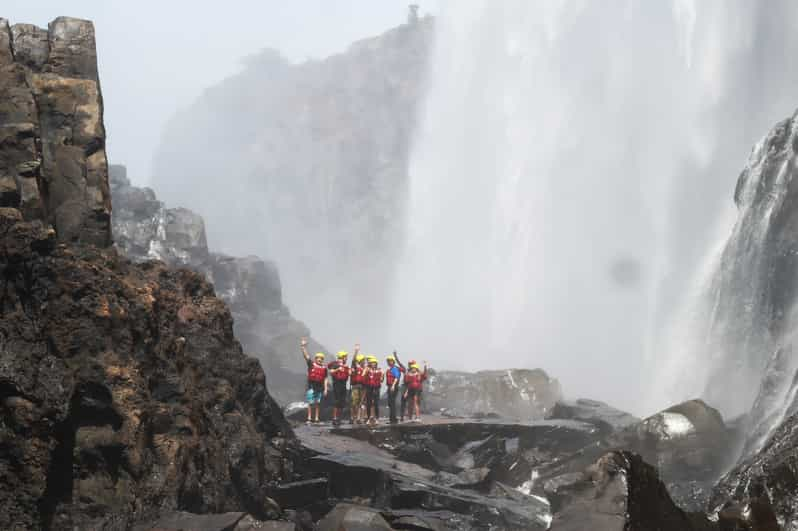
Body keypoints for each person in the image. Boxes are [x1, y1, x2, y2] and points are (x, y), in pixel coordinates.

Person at [300, 338, 328, 424]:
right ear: (315, 359)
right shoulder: (311, 364)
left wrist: (326, 389)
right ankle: (309, 418)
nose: (319, 359)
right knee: (310, 403)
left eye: (321, 358)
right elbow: (306, 356)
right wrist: (303, 346)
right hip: (311, 386)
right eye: (318, 358)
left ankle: (316, 418)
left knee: (317, 403)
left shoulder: (324, 368)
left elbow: (325, 378)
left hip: (319, 387)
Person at [329, 350, 350, 426]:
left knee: (342, 402)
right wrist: (338, 369)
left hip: (343, 384)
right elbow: (331, 372)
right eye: (345, 357)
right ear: (342, 357)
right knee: (337, 401)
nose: (346, 358)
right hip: (337, 384)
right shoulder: (335, 364)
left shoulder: (345, 366)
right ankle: (334, 418)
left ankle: (339, 418)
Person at [385, 352, 405, 424]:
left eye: (390, 361)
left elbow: (396, 377)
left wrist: (393, 385)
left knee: (392, 403)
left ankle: (393, 419)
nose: (389, 362)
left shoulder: (394, 368)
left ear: (393, 362)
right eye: (388, 361)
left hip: (393, 386)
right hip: (390, 387)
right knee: (390, 403)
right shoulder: (390, 369)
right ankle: (392, 419)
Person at [364, 355, 384, 426]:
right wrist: (366, 370)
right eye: (371, 363)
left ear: (376, 363)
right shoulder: (367, 370)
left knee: (376, 404)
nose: (373, 364)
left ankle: (377, 419)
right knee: (368, 404)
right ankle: (369, 418)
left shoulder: (379, 370)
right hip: (369, 388)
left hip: (376, 388)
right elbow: (363, 376)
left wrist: (381, 375)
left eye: (374, 363)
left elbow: (381, 380)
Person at [350, 348, 366, 424]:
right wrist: (356, 351)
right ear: (360, 361)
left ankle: (359, 418)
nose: (364, 362)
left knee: (361, 403)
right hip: (356, 386)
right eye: (363, 361)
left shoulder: (365, 369)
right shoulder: (356, 367)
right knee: (354, 402)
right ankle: (354, 417)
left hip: (363, 387)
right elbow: (353, 361)